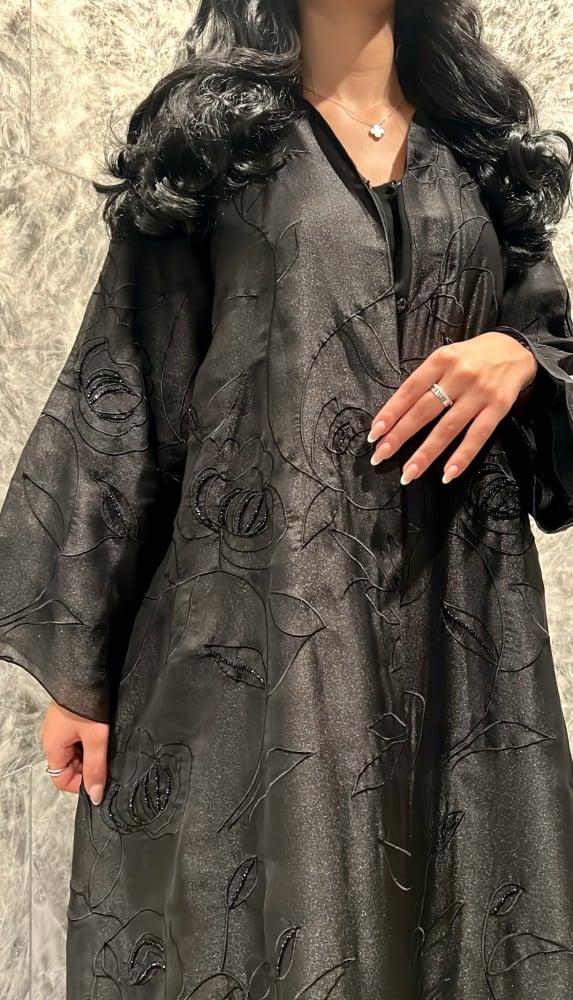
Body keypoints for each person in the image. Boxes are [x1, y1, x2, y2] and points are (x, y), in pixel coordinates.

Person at [1, 0, 573, 996]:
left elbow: (554, 340)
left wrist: (520, 355)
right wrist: (79, 671)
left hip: (462, 634)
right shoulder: (212, 143)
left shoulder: (480, 146)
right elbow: (126, 379)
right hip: (261, 635)